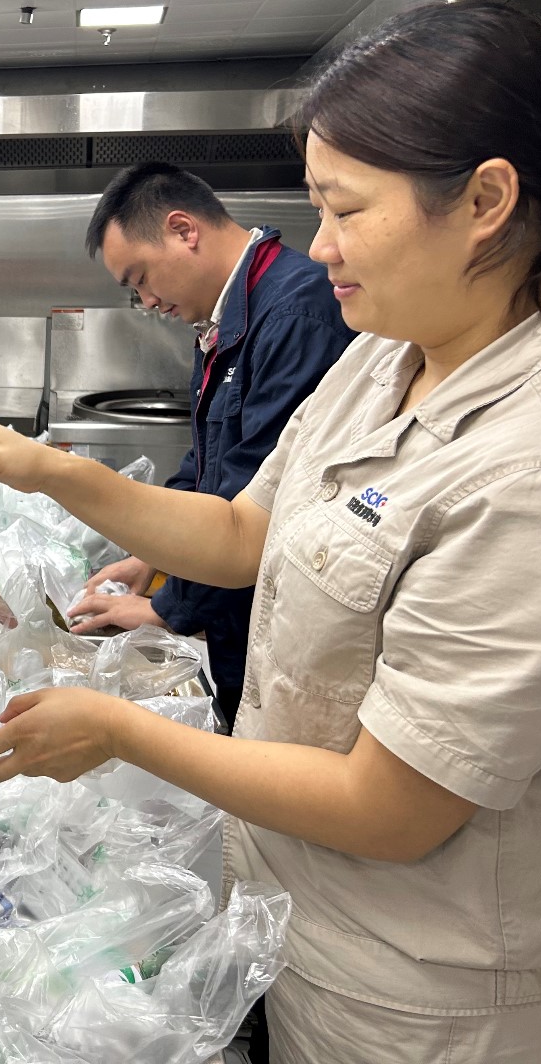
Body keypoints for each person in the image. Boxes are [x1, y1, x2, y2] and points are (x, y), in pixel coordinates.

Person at [0, 0, 541, 1063]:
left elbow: (390, 806)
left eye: (345, 210)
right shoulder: (387, 351)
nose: (322, 246)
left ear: (486, 200)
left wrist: (119, 731)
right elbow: (238, 532)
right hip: (308, 930)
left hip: (431, 1001)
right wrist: (45, 469)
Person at [65, 162, 354, 725]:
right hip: (233, 621)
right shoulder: (228, 317)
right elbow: (206, 465)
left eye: (141, 278)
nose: (147, 301)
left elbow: (256, 505)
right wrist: (151, 555)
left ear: (183, 230)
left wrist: (167, 609)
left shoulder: (296, 316)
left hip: (273, 624)